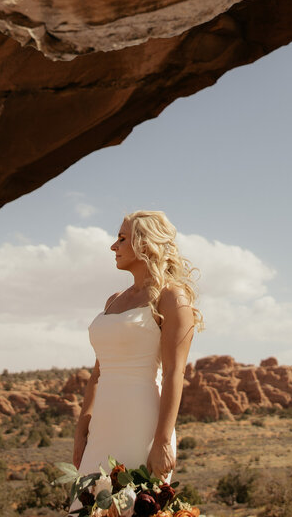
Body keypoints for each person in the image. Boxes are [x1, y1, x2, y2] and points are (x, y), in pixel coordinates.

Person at [70, 211, 203, 504]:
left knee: (134, 506)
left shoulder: (172, 297)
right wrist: (82, 430)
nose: (113, 246)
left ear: (145, 244)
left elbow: (173, 373)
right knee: (87, 507)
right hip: (101, 427)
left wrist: (163, 441)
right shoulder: (114, 300)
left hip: (142, 426)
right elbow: (97, 374)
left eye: (121, 238)